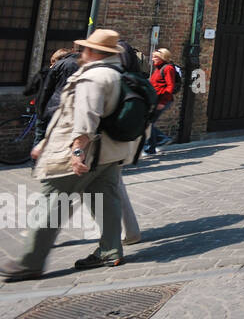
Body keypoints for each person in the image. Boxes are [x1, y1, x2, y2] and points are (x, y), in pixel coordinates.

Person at [0, 29, 145, 281]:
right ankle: (110, 250)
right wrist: (45, 141)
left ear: (94, 52)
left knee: (52, 201)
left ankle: (28, 262)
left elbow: (86, 118)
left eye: (85, 48)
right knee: (106, 200)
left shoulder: (94, 78)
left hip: (86, 152)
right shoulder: (115, 73)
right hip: (108, 153)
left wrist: (77, 152)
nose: (81, 52)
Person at [29, 47, 79, 143]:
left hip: (44, 110)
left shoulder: (50, 70)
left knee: (40, 139)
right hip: (51, 110)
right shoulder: (69, 68)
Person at [143, 48, 181, 155]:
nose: (153, 58)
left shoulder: (168, 69)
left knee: (148, 123)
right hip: (155, 100)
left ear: (163, 58)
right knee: (148, 122)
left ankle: (159, 140)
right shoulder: (158, 68)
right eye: (153, 56)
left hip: (162, 100)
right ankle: (153, 145)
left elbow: (170, 86)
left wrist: (162, 102)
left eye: (156, 57)